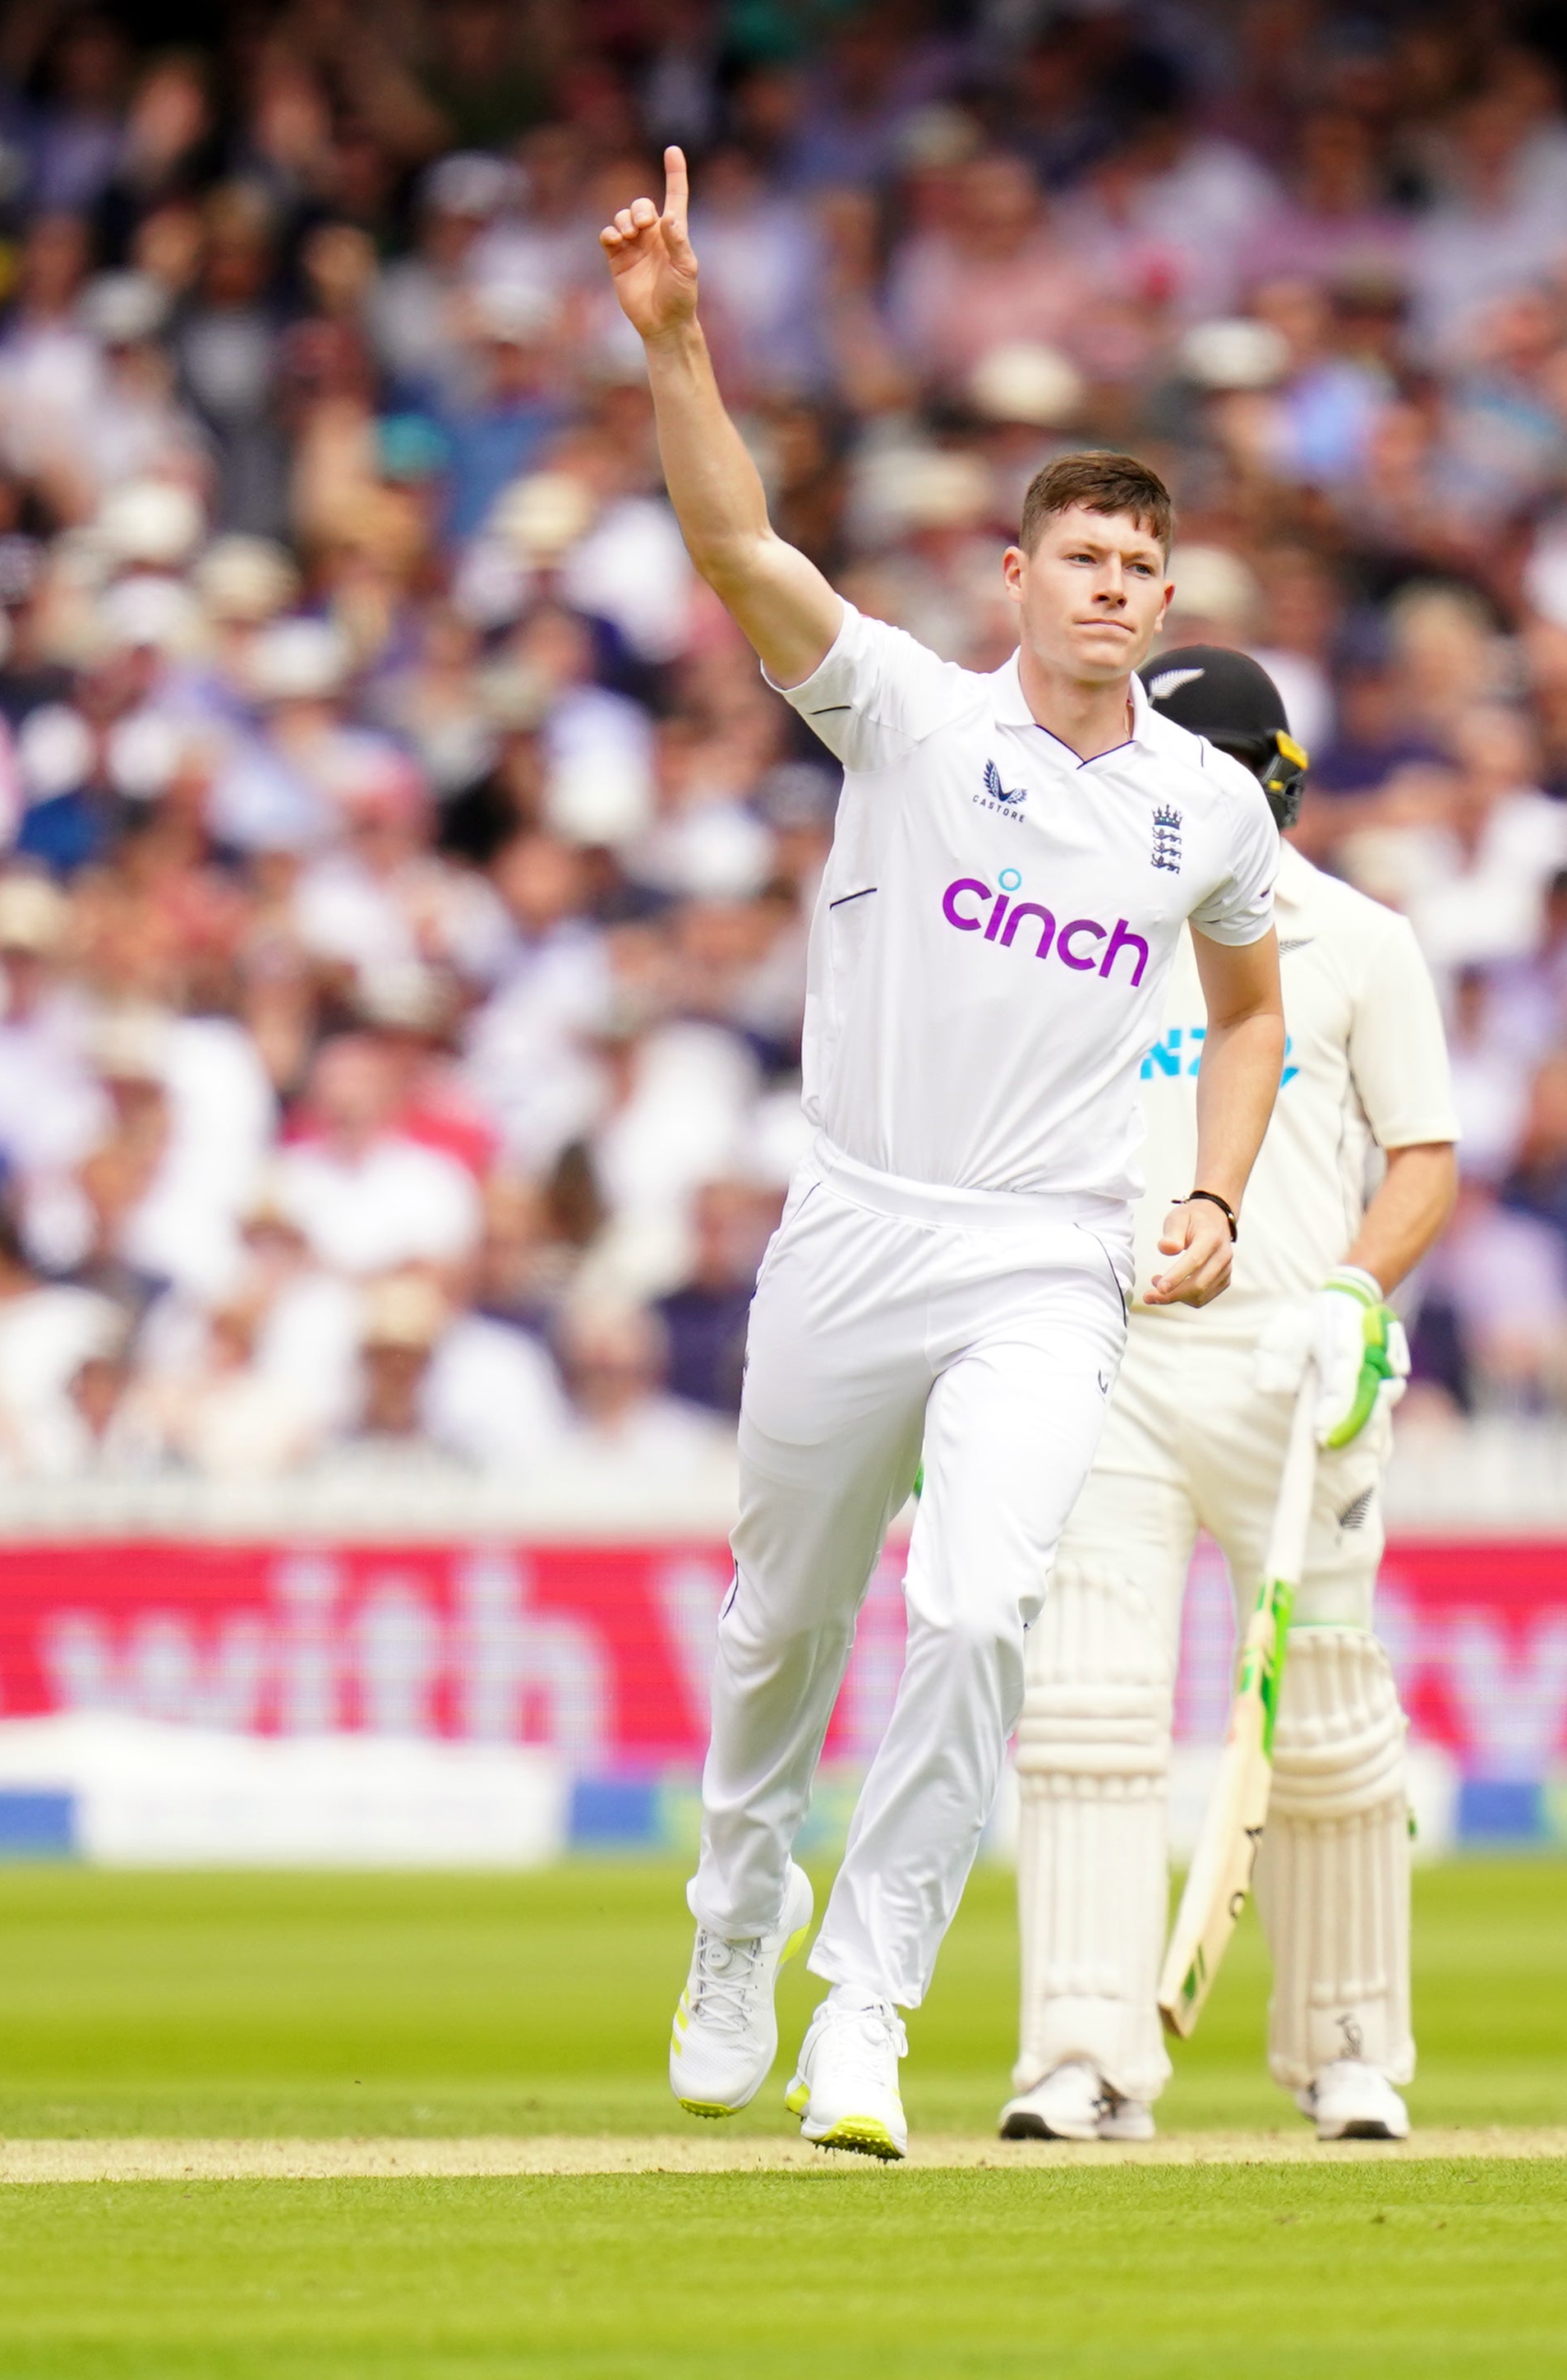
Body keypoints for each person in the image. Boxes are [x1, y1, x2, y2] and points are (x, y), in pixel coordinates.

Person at [603, 152, 1290, 2161]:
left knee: (982, 1611)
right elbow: (738, 547)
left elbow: (1245, 1016)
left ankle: (868, 2008)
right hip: (859, 1220)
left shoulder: (1211, 812)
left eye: (1136, 570)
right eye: (1076, 559)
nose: (1107, 590)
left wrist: (1216, 1192)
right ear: (1019, 579)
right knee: (778, 1630)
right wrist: (678, 344)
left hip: (1045, 1257)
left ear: (1166, 600)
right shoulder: (907, 714)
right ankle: (736, 1915)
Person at [999, 645, 1459, 2148]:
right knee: (1087, 1712)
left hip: (1292, 1379)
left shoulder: (1361, 941)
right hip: (1114, 1368)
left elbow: (1424, 1160)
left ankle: (1346, 2053)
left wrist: (1352, 1293)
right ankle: (1084, 2056)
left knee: (1322, 1718)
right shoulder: (1076, 933)